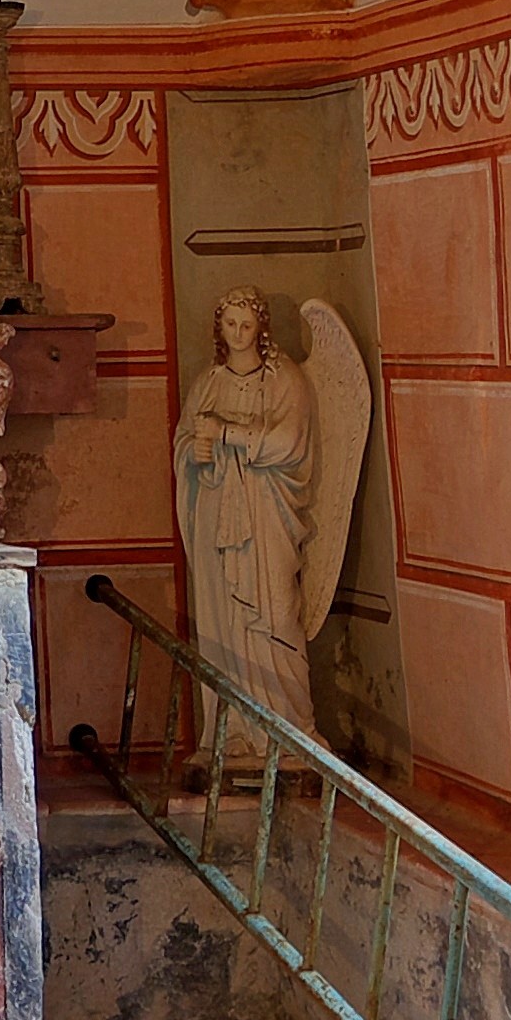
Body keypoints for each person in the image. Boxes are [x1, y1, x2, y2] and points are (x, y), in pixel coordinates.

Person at [174, 284, 316, 735]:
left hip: (268, 516)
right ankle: (232, 733)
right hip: (219, 518)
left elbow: (287, 444)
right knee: (224, 622)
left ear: (261, 328)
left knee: (276, 616)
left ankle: (292, 730)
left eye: (246, 324)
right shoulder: (208, 383)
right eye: (230, 324)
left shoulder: (284, 379)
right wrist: (194, 455)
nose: (238, 333)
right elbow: (184, 444)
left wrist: (225, 434)